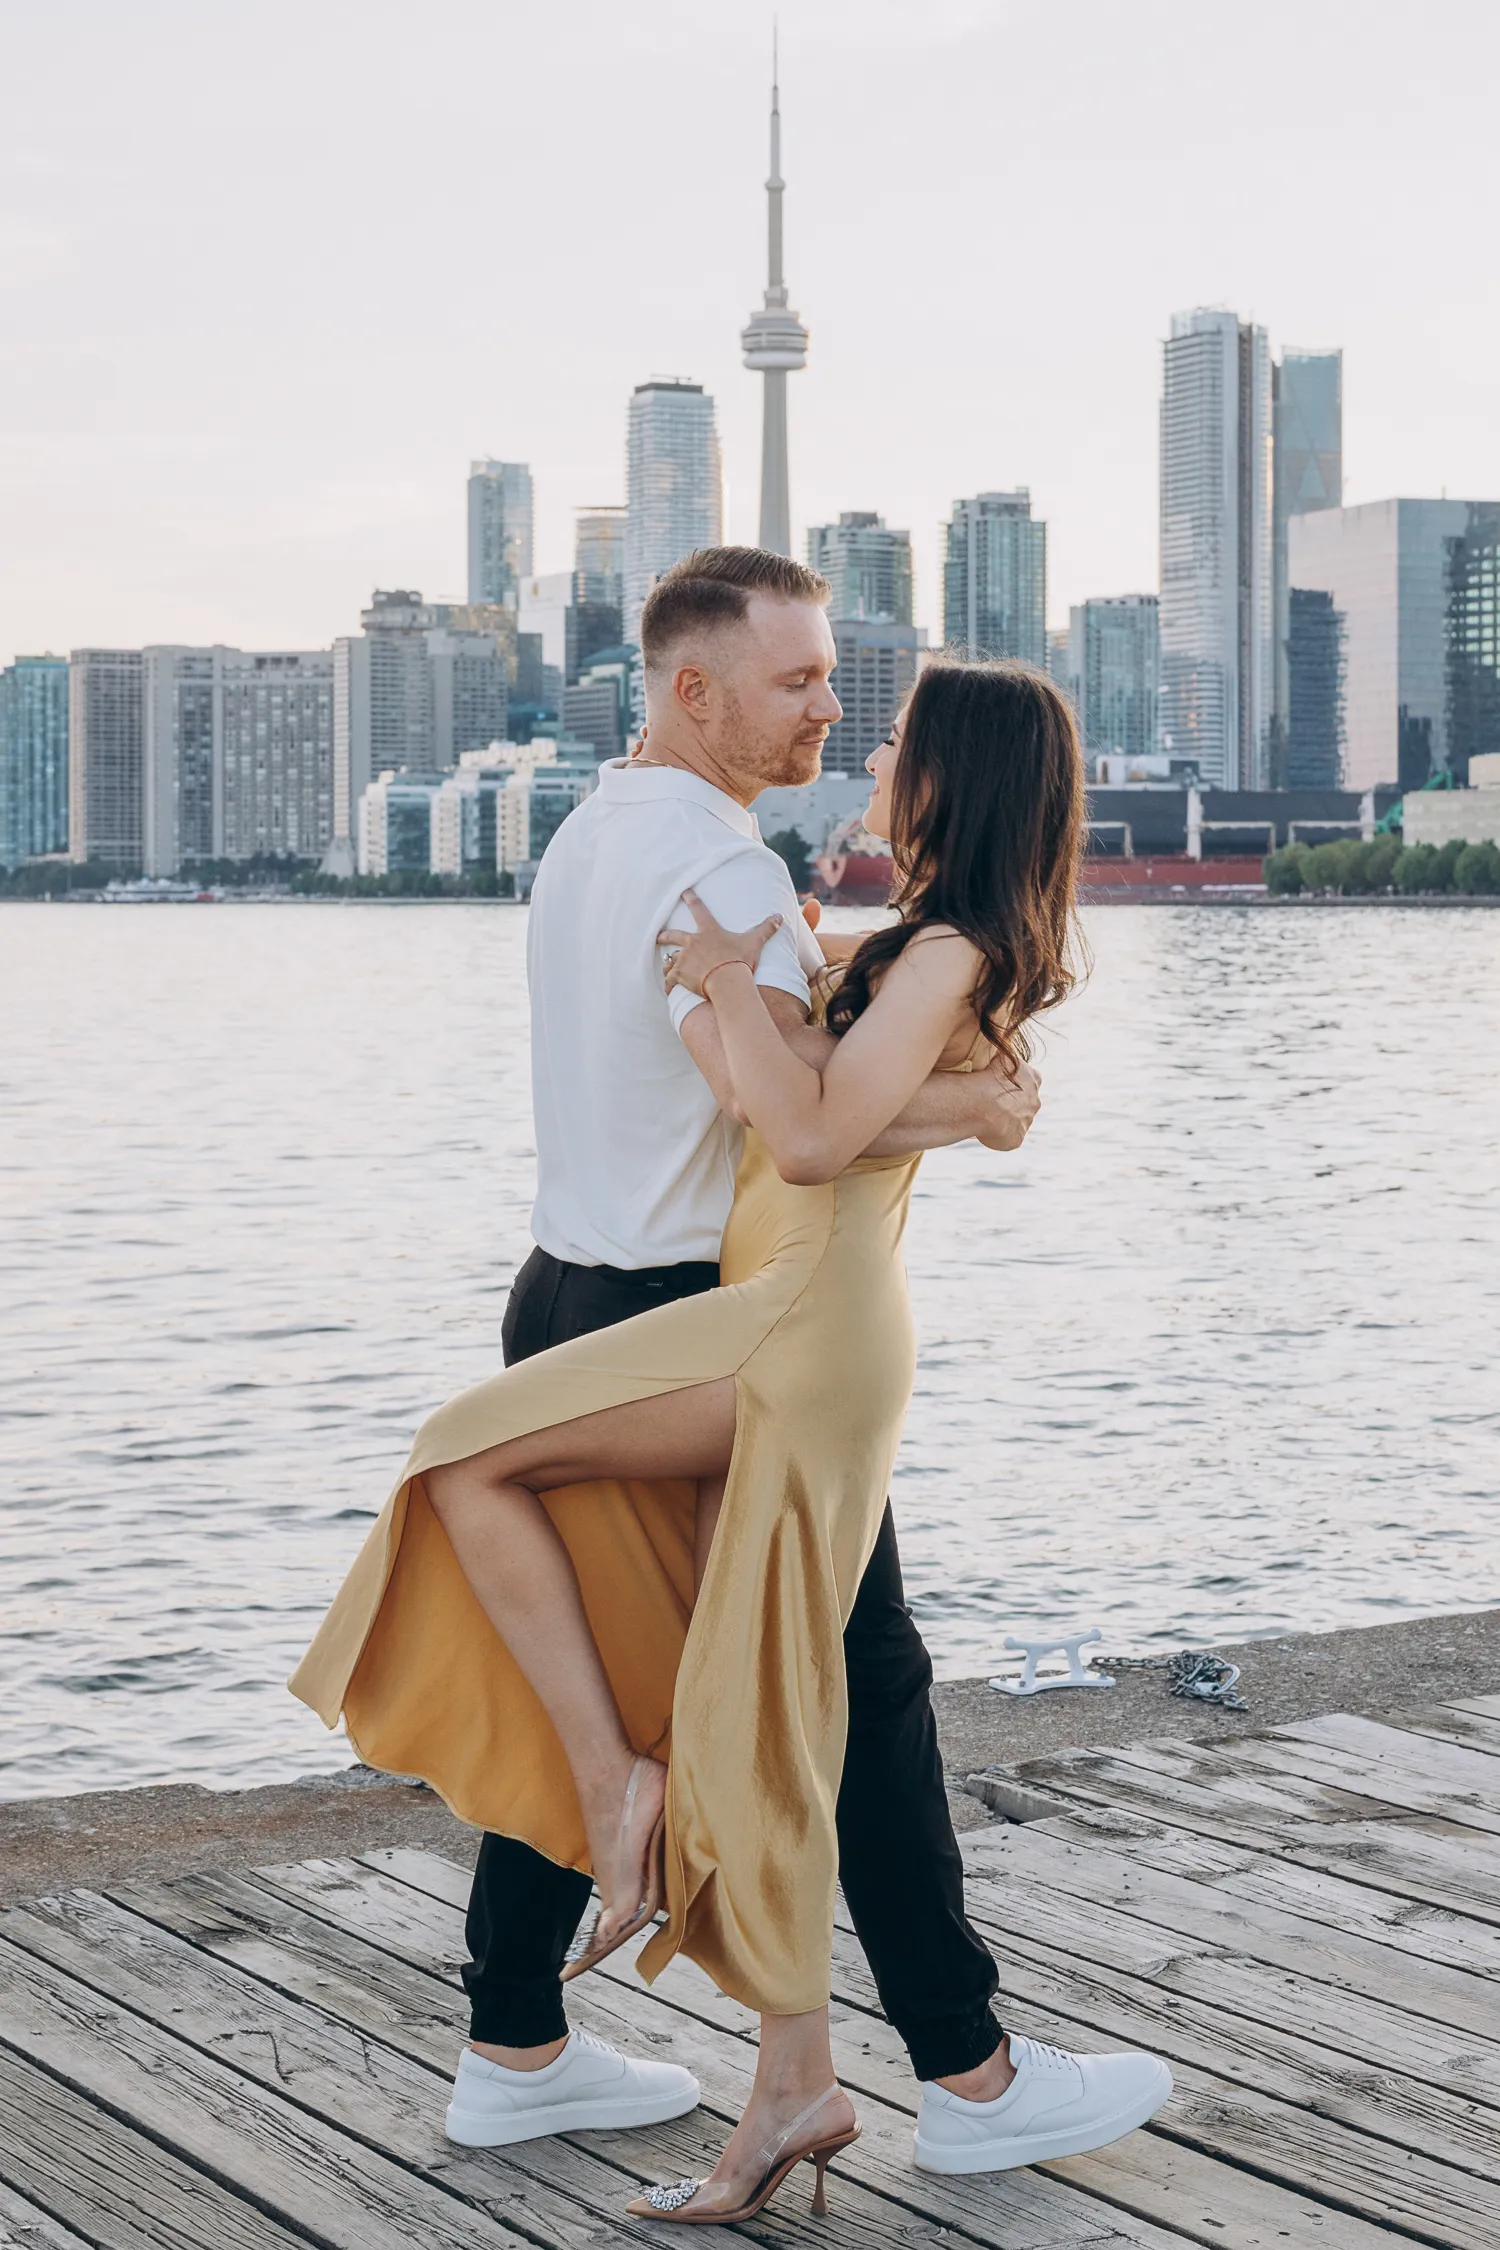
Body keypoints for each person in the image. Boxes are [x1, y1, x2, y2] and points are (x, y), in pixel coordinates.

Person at [290, 546, 1169, 2222]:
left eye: (840, 681)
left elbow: (810, 1081)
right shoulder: (731, 879)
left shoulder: (588, 840)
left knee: (631, 1666)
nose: (830, 712)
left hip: (561, 1293)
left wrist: (948, 1093)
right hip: (703, 1316)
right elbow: (807, 1118)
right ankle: (964, 2066)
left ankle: (521, 2037)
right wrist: (971, 1107)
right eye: (797, 681)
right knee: (863, 1687)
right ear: (693, 689)